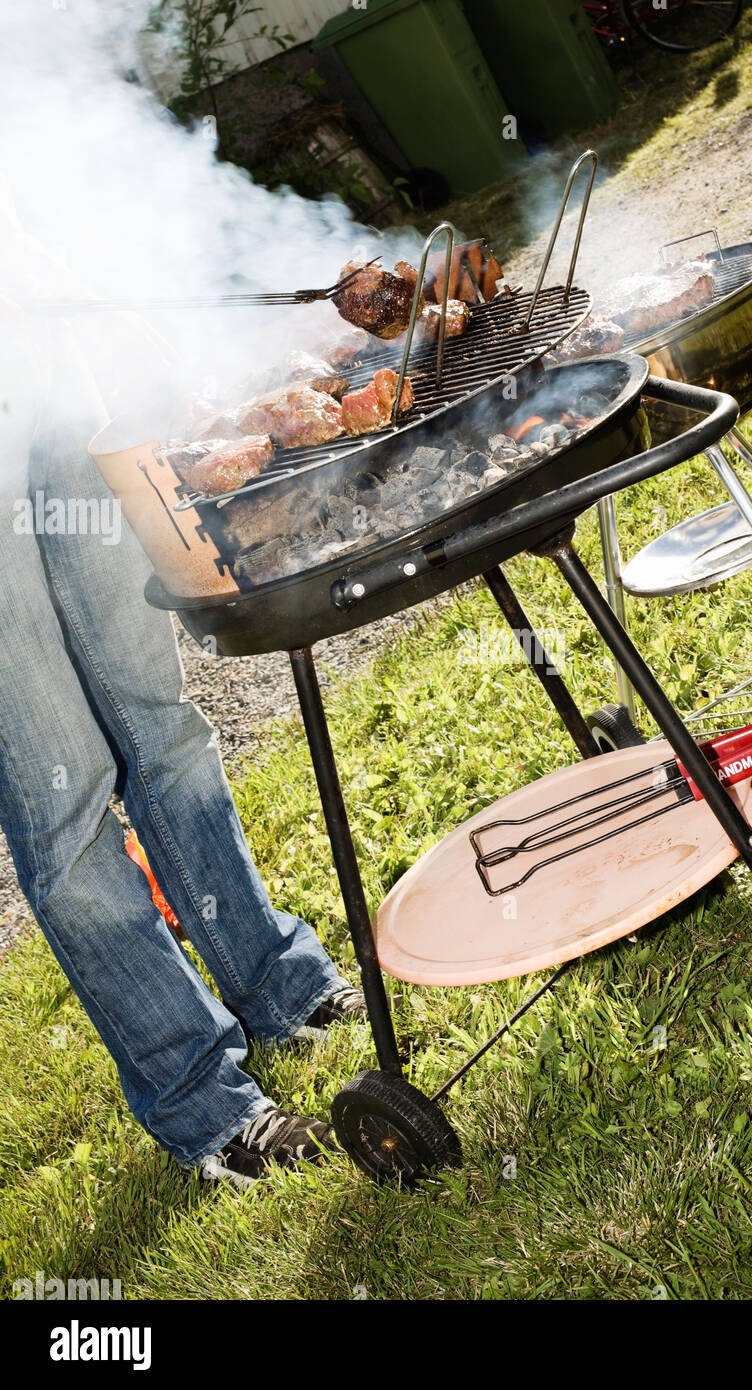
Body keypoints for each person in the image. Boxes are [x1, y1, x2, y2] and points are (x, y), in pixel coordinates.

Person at [0, 199, 364, 1190]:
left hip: (50, 397)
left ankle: (277, 984)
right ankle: (208, 1107)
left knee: (160, 728)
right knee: (65, 807)